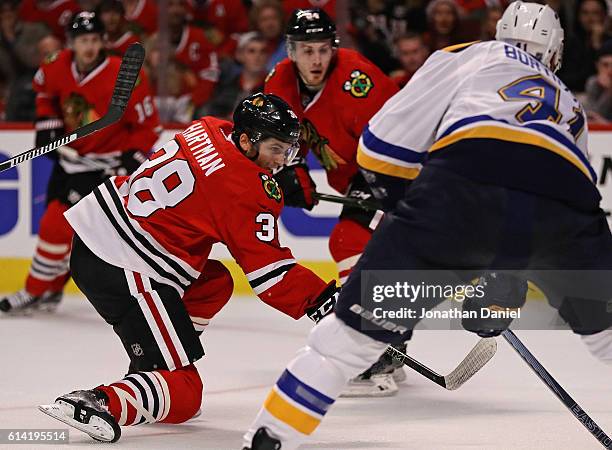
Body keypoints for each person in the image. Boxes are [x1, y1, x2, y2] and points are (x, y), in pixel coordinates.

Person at [243, 2, 612, 449]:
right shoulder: (570, 105)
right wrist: (505, 276)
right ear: (555, 53)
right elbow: (560, 195)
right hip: (566, 207)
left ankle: (268, 439)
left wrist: (407, 215)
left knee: (339, 346)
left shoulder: (471, 54)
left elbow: (382, 144)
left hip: (461, 185)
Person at [37, 93, 341, 443]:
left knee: (214, 282)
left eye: (288, 151)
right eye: (277, 149)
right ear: (247, 140)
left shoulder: (209, 127)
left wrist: (273, 177)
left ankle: (155, 363)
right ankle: (102, 401)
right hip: (127, 263)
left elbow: (218, 179)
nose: (282, 160)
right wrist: (322, 300)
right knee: (185, 394)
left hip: (101, 233)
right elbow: (271, 274)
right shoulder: (247, 191)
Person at [264, 8, 403, 397]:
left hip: (391, 168)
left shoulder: (356, 79)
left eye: (323, 50)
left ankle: (368, 343)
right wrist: (294, 173)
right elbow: (282, 138)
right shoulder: (280, 82)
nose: (316, 60)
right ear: (291, 51)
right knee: (371, 252)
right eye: (307, 51)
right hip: (354, 175)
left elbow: (397, 136)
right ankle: (387, 342)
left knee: (347, 240)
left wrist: (390, 188)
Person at [0, 12, 160, 314]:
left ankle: (34, 291)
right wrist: (47, 121)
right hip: (68, 160)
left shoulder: (124, 75)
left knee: (55, 224)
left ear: (103, 42)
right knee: (64, 230)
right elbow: (45, 94)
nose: (89, 47)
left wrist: (130, 159)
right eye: (83, 40)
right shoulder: (55, 64)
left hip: (103, 167)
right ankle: (51, 290)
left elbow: (148, 126)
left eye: (94, 40)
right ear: (71, 43)